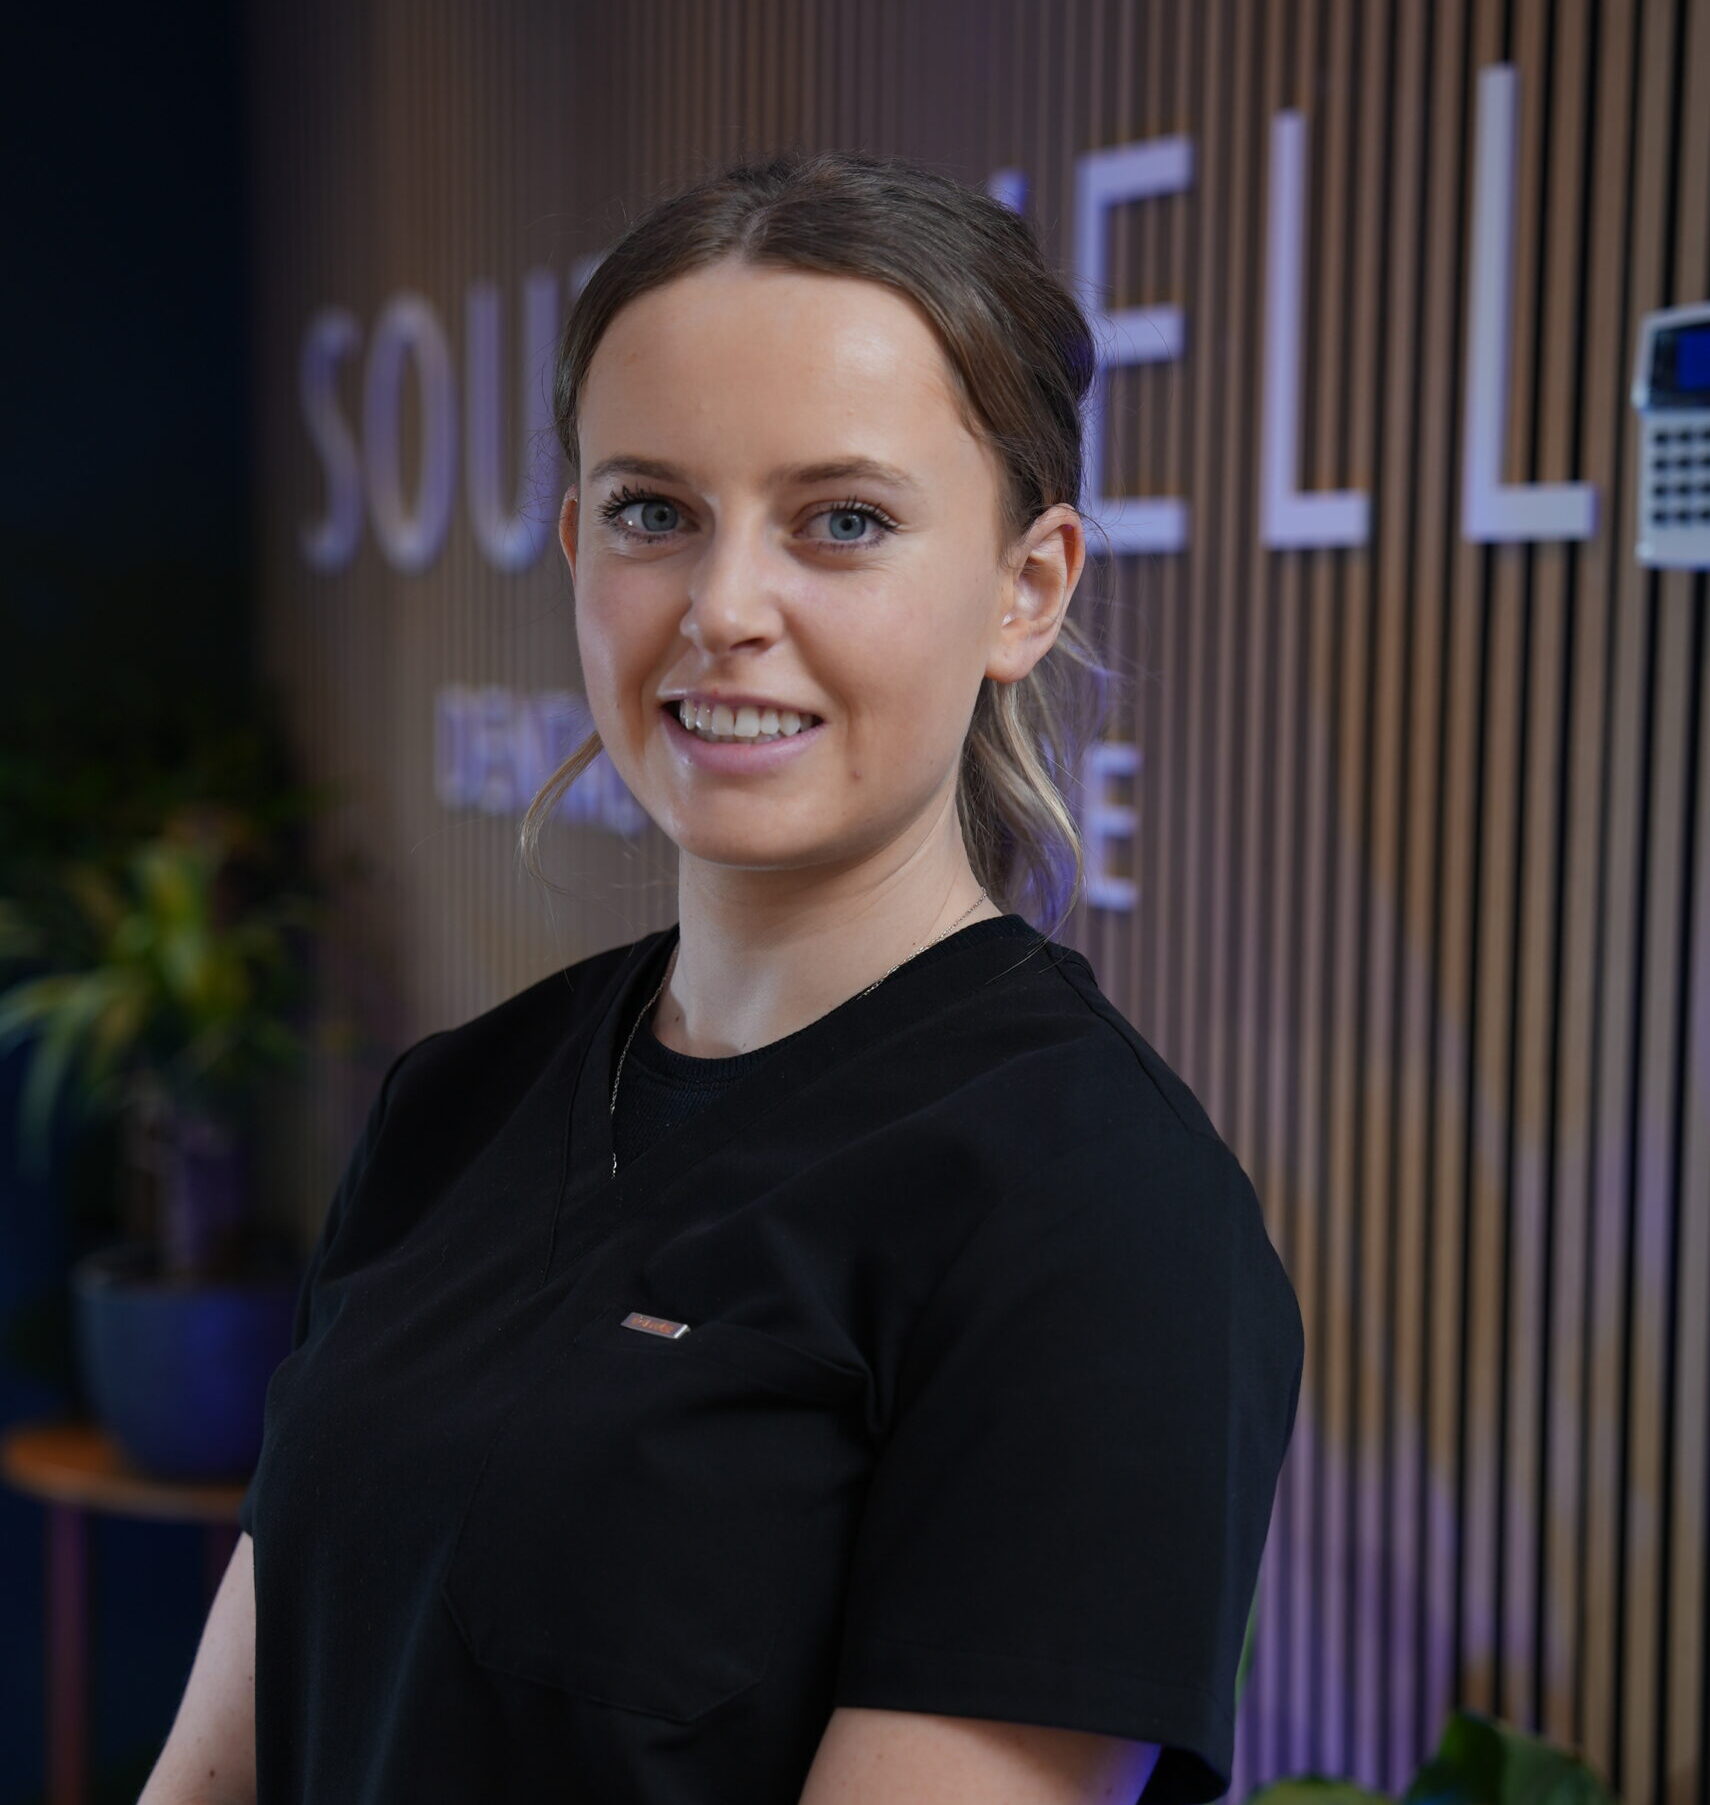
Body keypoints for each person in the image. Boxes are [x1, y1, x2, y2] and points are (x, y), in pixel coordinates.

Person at [141, 148, 1304, 1805]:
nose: (722, 606)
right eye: (653, 513)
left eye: (843, 521)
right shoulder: (452, 1105)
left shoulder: (1103, 1217)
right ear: (574, 546)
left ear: (1025, 588)